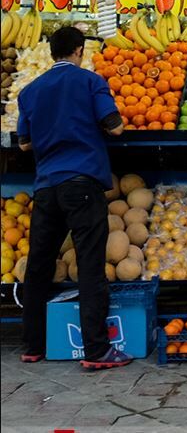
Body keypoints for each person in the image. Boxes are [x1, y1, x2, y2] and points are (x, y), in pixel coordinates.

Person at [17, 26, 132, 370]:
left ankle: (33, 345)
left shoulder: (30, 91)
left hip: (47, 187)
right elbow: (115, 126)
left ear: (52, 52)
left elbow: (24, 144)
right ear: (80, 50)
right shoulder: (90, 82)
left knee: (38, 267)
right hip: (81, 183)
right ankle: (96, 351)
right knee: (91, 265)